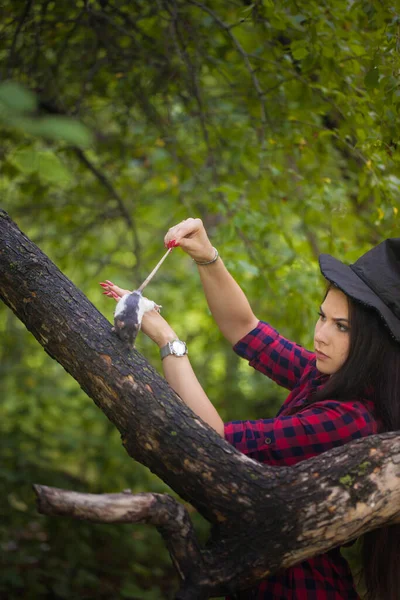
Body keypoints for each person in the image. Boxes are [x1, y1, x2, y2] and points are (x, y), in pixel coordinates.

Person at [100, 218, 400, 600]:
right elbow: (246, 329)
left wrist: (168, 339)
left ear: (374, 342)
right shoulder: (327, 374)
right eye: (323, 316)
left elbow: (217, 441)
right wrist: (207, 257)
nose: (320, 334)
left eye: (342, 327)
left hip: (299, 588)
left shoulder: (354, 419)